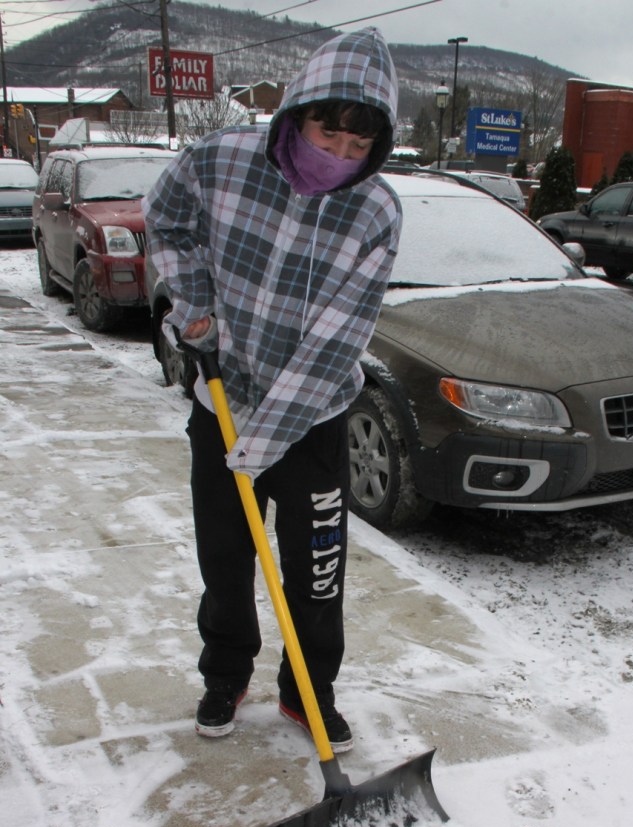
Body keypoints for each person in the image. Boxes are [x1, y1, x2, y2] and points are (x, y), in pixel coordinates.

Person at [143, 27, 402, 752]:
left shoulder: (375, 211)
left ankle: (308, 691)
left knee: (316, 572)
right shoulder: (220, 159)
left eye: (358, 148)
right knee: (224, 560)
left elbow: (337, 339)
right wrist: (193, 306)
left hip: (313, 419)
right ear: (299, 110)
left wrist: (260, 443)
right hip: (220, 402)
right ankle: (225, 672)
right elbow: (165, 217)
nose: (338, 158)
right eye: (329, 134)